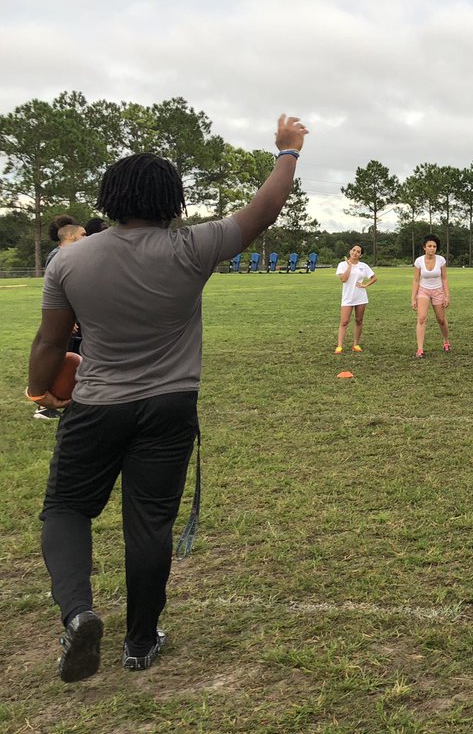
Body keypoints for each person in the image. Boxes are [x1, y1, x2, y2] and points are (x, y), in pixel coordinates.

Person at [25, 114, 308, 682]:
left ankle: (78, 612)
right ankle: (139, 643)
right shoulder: (193, 247)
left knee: (66, 508)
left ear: (110, 197)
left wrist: (39, 390)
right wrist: (287, 153)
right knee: (149, 525)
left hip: (97, 403)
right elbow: (264, 210)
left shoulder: (70, 259)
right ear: (172, 200)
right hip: (171, 406)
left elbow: (52, 340)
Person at [35, 223, 88, 421]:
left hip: (73, 317)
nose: (87, 237)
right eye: (83, 234)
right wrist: (70, 317)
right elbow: (55, 293)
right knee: (61, 359)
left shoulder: (72, 256)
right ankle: (44, 406)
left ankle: (69, 399)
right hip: (65, 319)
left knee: (74, 358)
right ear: (71, 236)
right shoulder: (58, 256)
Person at [411, 234, 451, 358]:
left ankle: (446, 341)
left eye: (434, 246)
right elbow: (416, 280)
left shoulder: (441, 260)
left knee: (441, 319)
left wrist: (447, 296)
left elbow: (444, 278)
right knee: (422, 318)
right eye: (429, 246)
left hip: (438, 291)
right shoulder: (418, 261)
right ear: (424, 247)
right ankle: (420, 349)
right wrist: (413, 298)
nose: (432, 248)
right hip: (423, 291)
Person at [335, 245, 376, 354]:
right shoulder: (342, 265)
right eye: (353, 250)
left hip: (360, 297)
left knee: (359, 320)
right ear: (350, 251)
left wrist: (365, 285)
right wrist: (349, 266)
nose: (355, 253)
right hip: (348, 297)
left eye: (358, 252)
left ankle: (356, 344)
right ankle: (339, 346)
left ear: (361, 255)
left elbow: (374, 278)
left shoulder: (363, 266)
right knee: (344, 321)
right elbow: (344, 279)